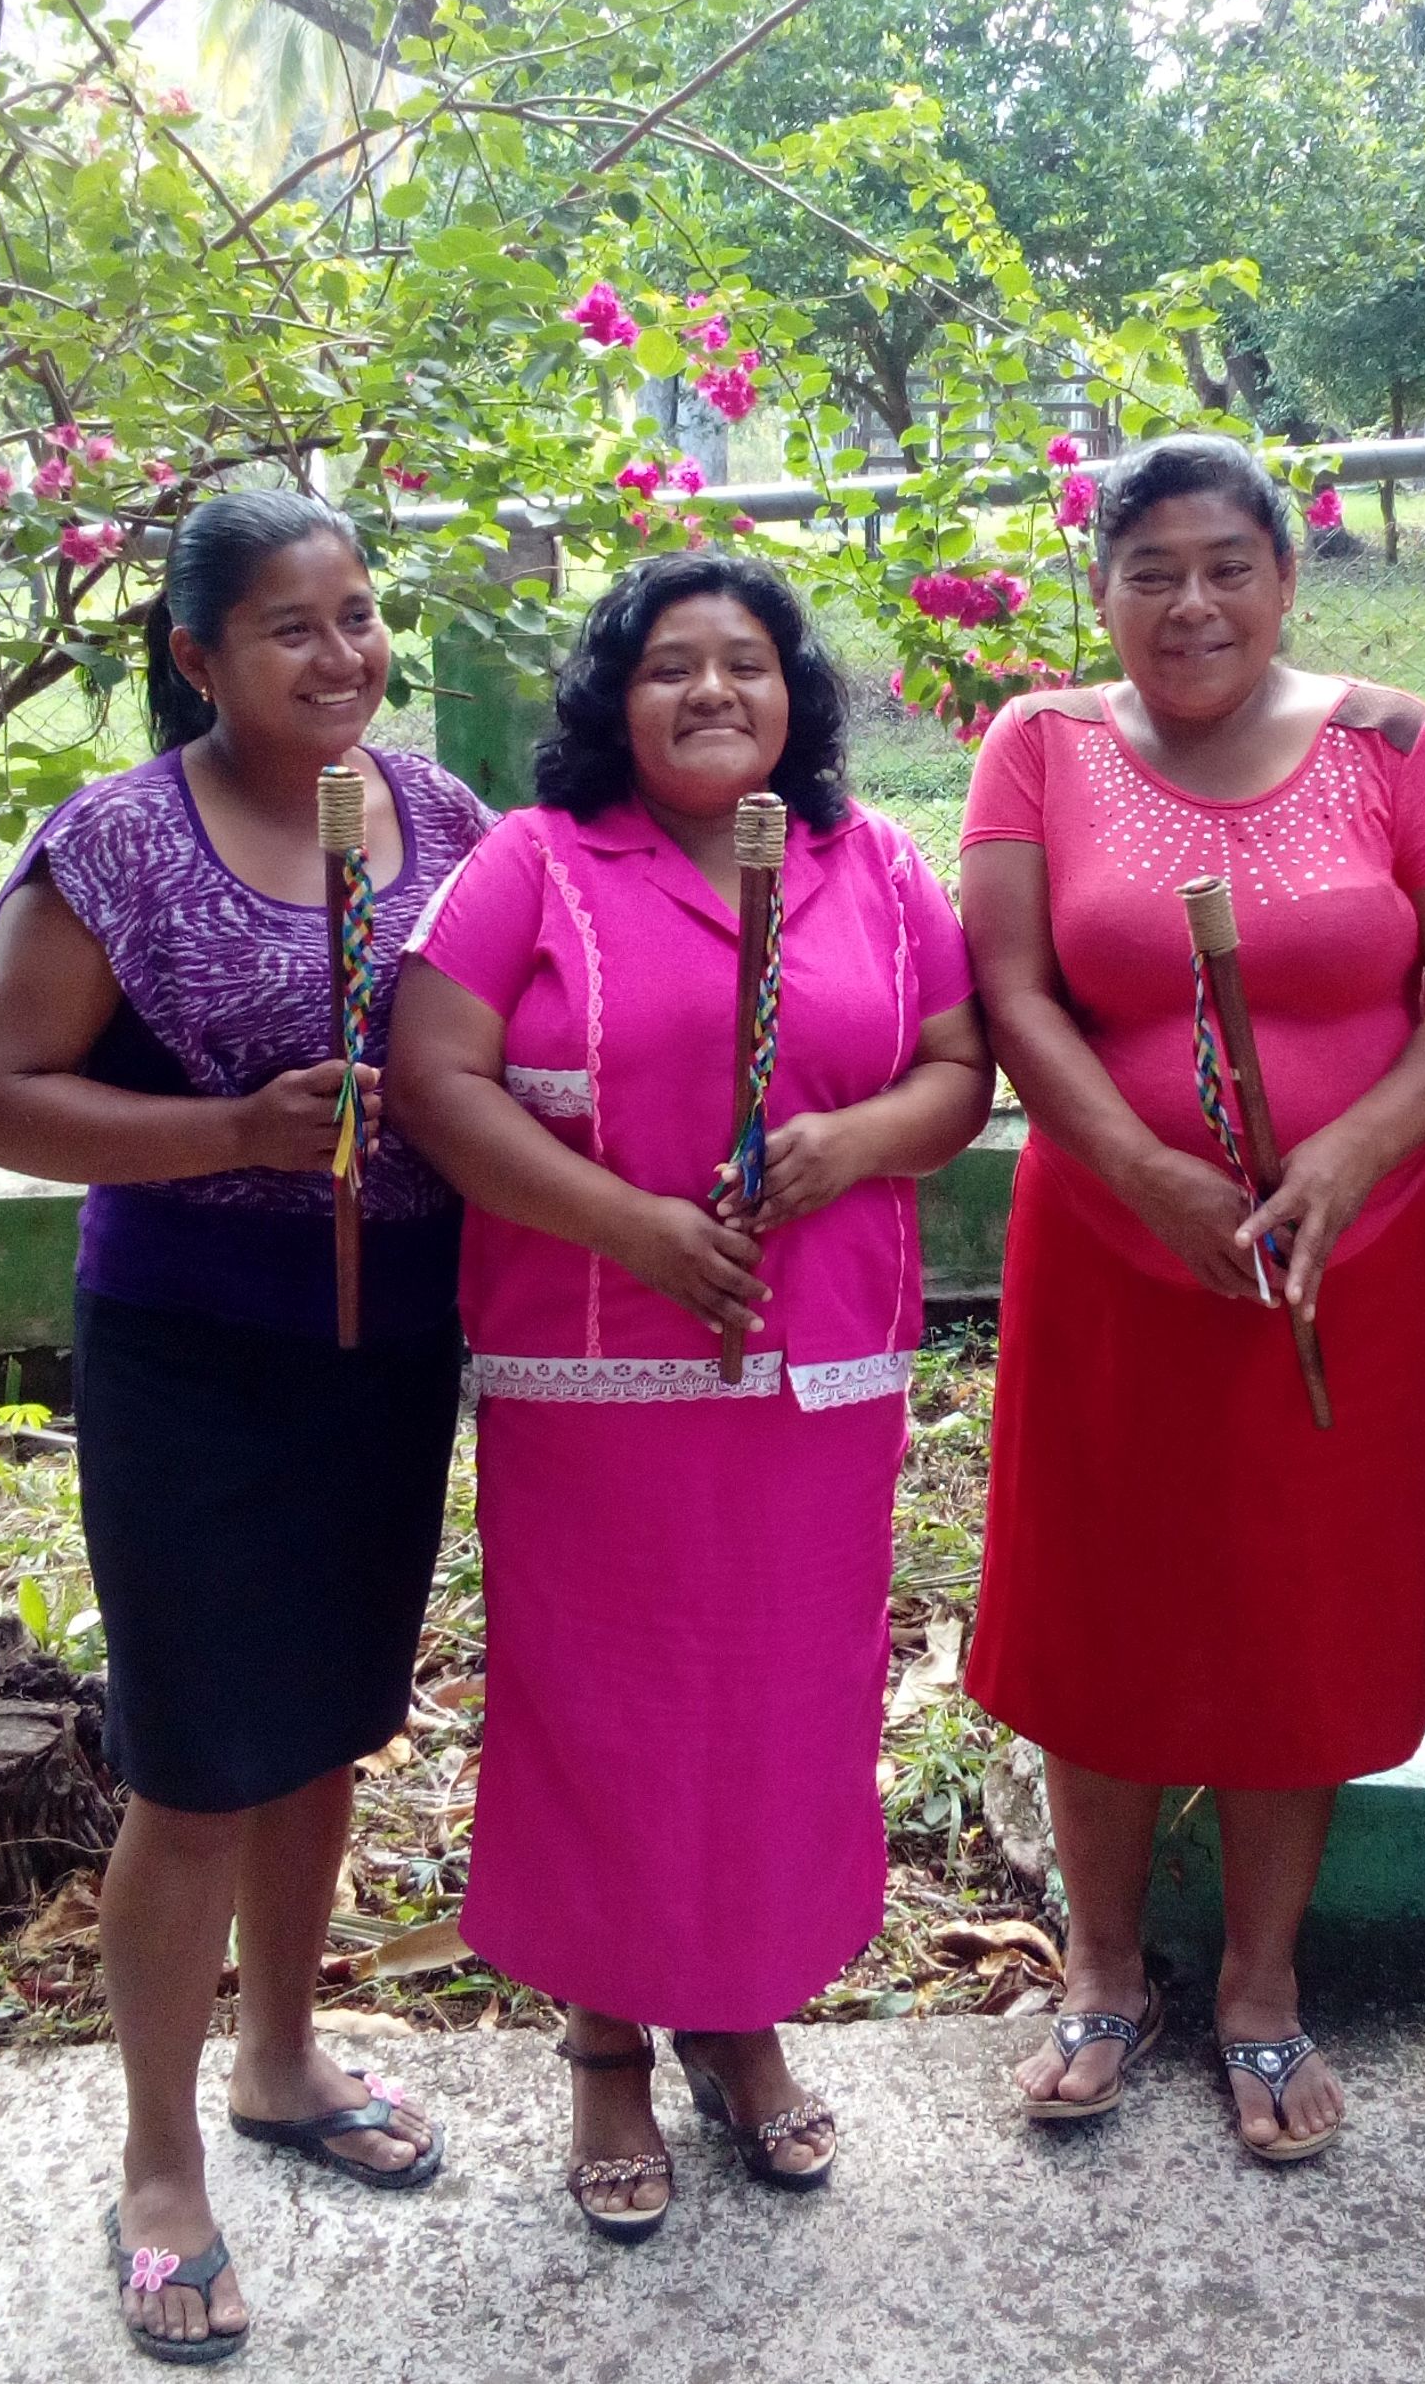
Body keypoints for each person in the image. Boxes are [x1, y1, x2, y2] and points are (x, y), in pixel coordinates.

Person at [387, 550, 992, 2241]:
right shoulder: (534, 861)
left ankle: (739, 2012)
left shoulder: (873, 864)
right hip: (596, 1378)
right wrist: (630, 1226)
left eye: (745, 661)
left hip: (816, 1378)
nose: (711, 689)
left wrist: (850, 1142)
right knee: (608, 1703)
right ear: (615, 699)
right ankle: (602, 2035)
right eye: (670, 664)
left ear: (794, 694)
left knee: (782, 1704)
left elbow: (960, 1067)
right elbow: (431, 1077)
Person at [0, 489, 490, 2361]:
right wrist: (235, 1131)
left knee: (326, 1717)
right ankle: (160, 2159)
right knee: (196, 1764)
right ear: (196, 655)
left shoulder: (444, 817)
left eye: (358, 614)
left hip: (389, 1338)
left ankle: (281, 2057)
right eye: (289, 625)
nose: (342, 655)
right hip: (191, 1349)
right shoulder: (115, 842)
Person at [956, 433, 1425, 2165]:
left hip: (1345, 1259)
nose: (1189, 602)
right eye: (1149, 571)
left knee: (1302, 1603)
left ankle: (1261, 1981)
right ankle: (1103, 1966)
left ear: (1284, 579)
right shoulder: (1038, 744)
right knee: (1102, 1593)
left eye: (1226, 567)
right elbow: (1011, 993)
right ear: (1101, 592)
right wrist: (1147, 1171)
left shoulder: (1396, 743)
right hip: (1110, 1256)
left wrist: (1348, 1155)